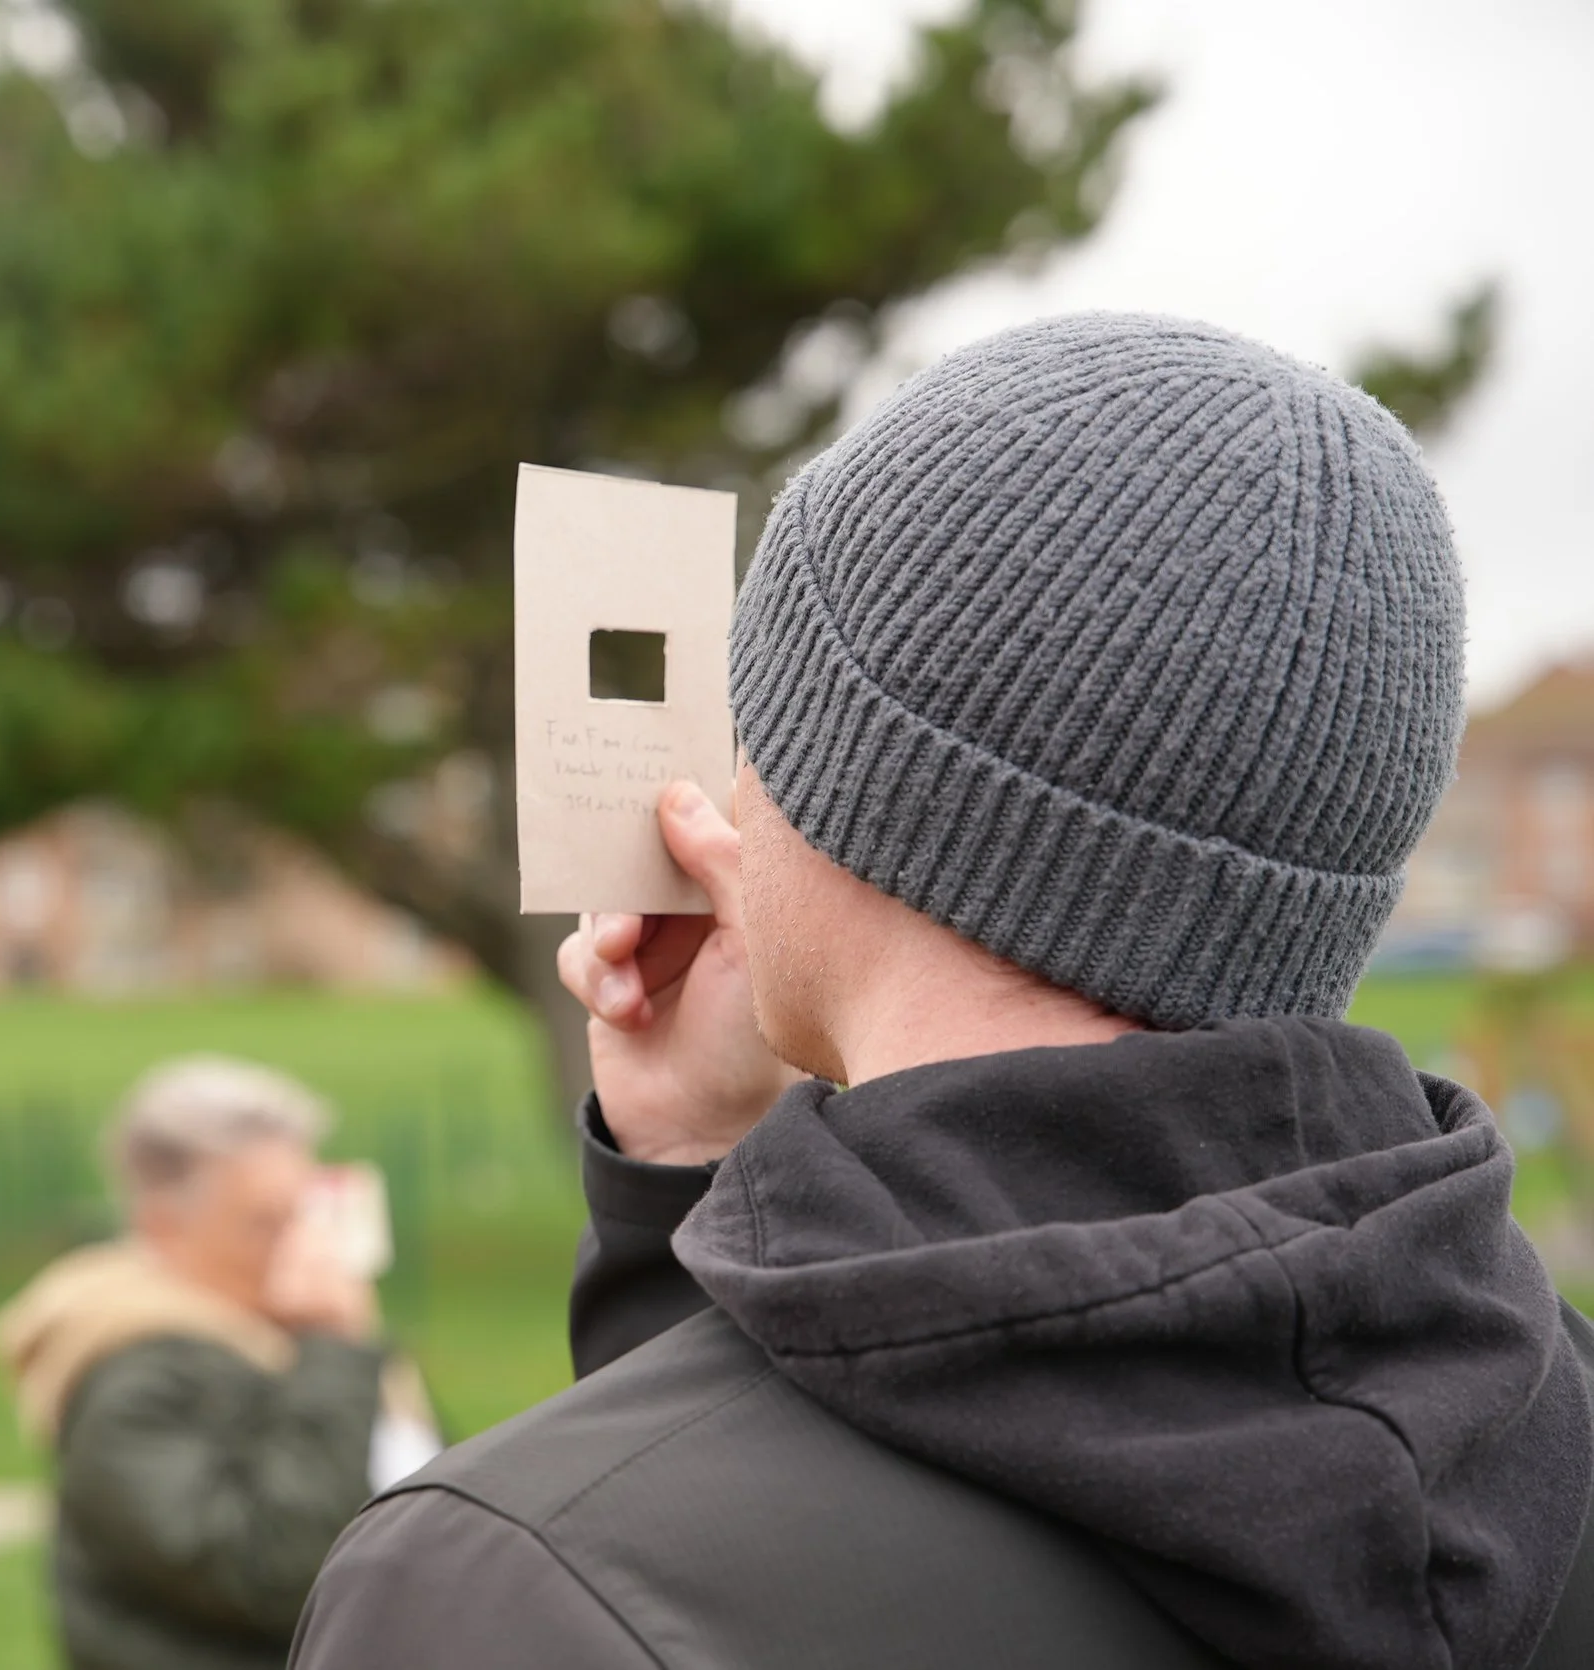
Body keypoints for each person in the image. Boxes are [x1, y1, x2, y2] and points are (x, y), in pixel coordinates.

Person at [294, 314, 1594, 1669]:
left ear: (858, 797)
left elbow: (713, 1543)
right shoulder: (1541, 1420)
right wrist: (686, 1172)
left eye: (761, 720)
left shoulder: (493, 1586)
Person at [0, 1055, 436, 1670]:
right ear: (163, 1228)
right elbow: (275, 1572)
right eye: (265, 1222)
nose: (305, 1246)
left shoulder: (287, 1341)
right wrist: (332, 1350)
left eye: (304, 1214)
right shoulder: (132, 1379)